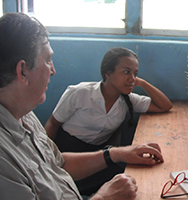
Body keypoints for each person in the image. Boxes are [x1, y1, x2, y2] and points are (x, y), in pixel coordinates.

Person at [0, 12, 164, 200]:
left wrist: (118, 153)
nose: (53, 70)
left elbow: (58, 164)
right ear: (22, 71)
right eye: (47, 60)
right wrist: (103, 197)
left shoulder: (24, 115)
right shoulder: (4, 157)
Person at [44, 47, 172, 194]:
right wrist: (45, 157)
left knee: (131, 179)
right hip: (67, 153)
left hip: (97, 156)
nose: (132, 78)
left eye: (135, 73)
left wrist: (142, 83)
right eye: (126, 72)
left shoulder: (128, 100)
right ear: (108, 73)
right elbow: (53, 124)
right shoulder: (80, 93)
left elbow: (165, 106)